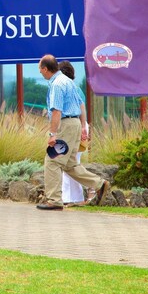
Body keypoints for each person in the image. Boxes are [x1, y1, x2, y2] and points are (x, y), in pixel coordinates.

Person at [36, 55, 110, 211]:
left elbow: (57, 111)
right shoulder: (68, 81)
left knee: (52, 161)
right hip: (75, 123)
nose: (40, 73)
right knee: (70, 164)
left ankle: (54, 200)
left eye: (40, 69)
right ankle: (99, 184)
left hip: (65, 125)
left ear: (45, 68)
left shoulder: (56, 84)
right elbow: (81, 105)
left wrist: (52, 134)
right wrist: (83, 126)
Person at [58, 60, 88, 206]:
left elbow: (81, 107)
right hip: (78, 125)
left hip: (74, 126)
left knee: (69, 163)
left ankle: (72, 198)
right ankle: (74, 197)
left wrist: (82, 127)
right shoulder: (75, 87)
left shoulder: (68, 88)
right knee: (71, 162)